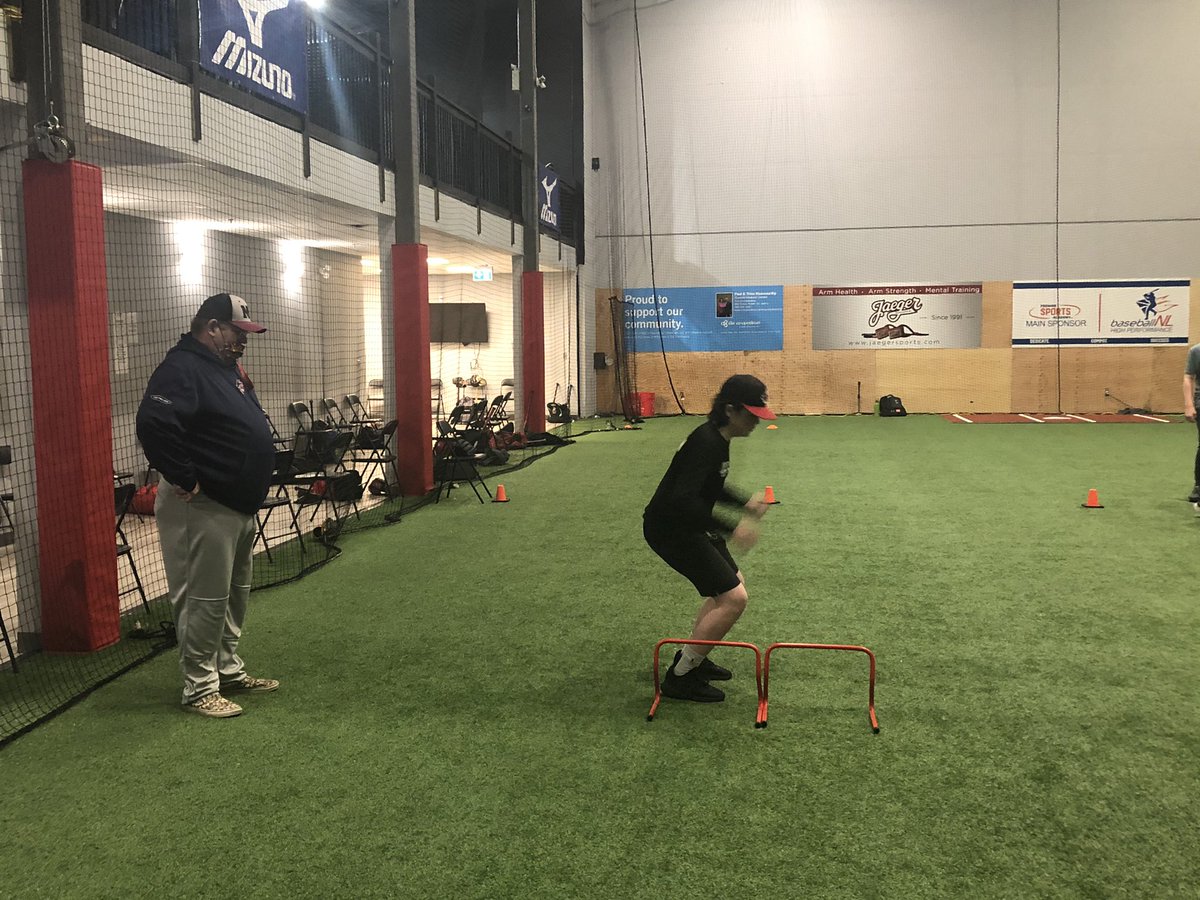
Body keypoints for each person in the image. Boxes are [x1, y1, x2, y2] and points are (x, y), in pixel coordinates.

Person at [136, 293, 280, 718]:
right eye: (238, 332)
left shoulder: (223, 366)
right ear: (212, 327)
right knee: (204, 597)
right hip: (201, 505)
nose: (243, 340)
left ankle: (227, 669)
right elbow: (153, 423)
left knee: (233, 593)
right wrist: (186, 477)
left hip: (235, 504)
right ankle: (199, 688)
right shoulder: (182, 367)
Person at [643, 374, 775, 702]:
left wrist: (744, 503)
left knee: (731, 586)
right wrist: (733, 528)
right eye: (751, 415)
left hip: (688, 523)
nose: (756, 423)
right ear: (730, 410)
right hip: (670, 529)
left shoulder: (717, 438)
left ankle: (692, 658)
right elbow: (682, 501)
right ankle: (680, 678)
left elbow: (710, 484)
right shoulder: (706, 442)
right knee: (733, 597)